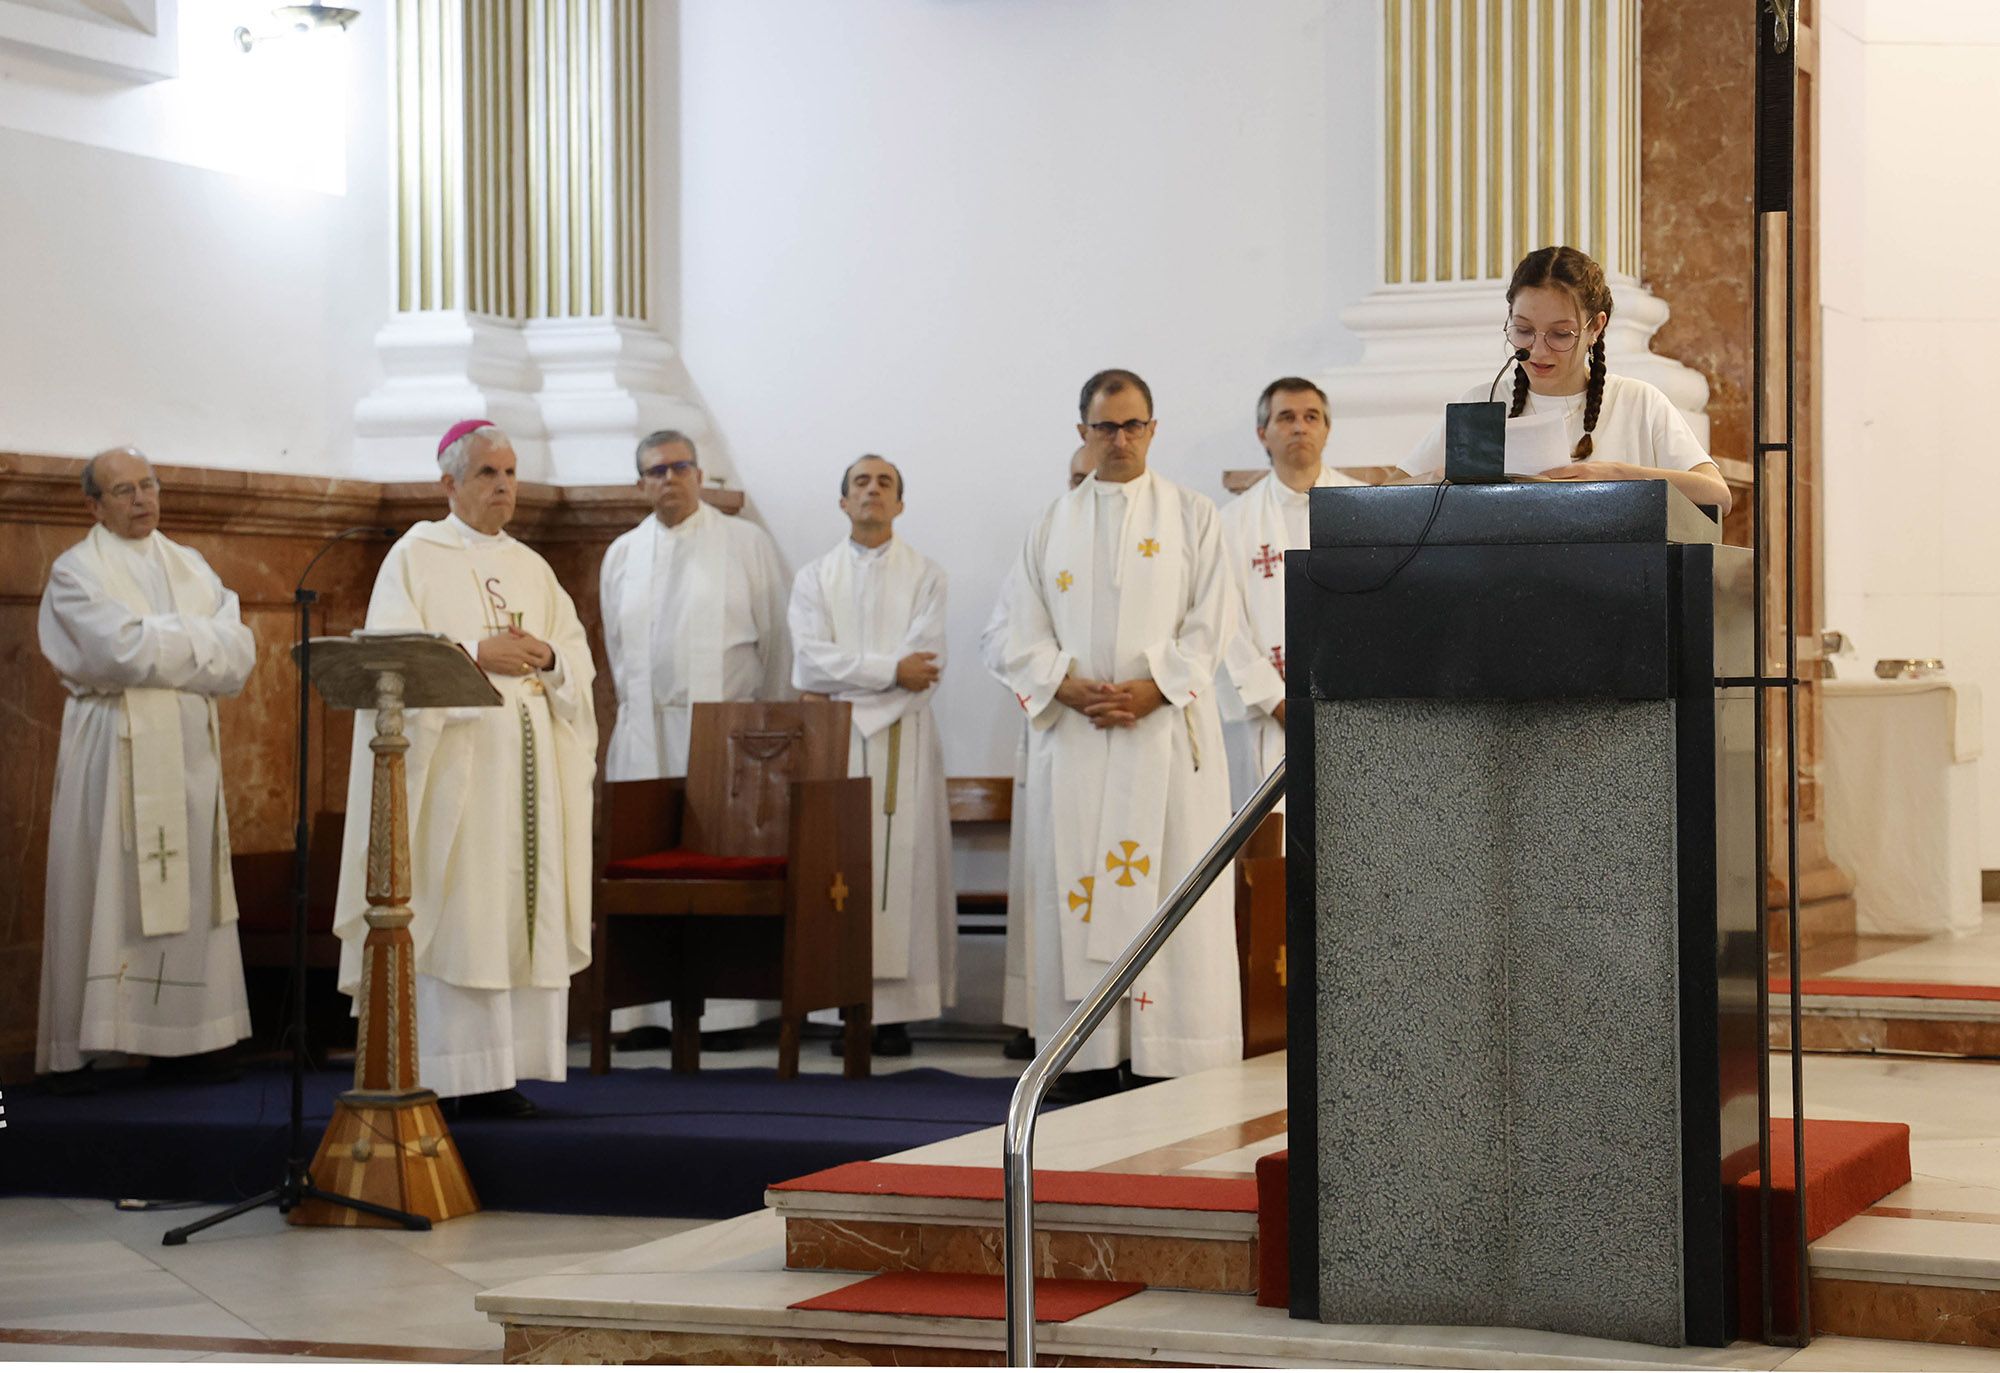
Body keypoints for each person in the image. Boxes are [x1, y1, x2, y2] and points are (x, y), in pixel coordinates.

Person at [332, 421, 597, 1118]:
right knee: (464, 912)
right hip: (458, 779)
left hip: (528, 778)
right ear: (447, 483)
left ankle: (505, 1071)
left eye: (511, 472)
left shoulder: (533, 566)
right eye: (487, 472)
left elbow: (574, 656)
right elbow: (389, 657)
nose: (504, 485)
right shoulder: (415, 556)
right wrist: (478, 653)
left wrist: (547, 657)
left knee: (516, 910)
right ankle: (450, 1071)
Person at [995, 370, 1241, 1097]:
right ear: (1082, 433)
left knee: (1170, 890)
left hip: (1163, 739)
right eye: (1106, 427)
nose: (1121, 439)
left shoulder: (1193, 515)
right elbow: (1016, 628)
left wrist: (1154, 685)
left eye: (1134, 425)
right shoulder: (1050, 523)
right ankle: (1088, 1054)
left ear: (1154, 429)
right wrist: (1064, 682)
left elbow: (1214, 619)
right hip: (1076, 740)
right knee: (1078, 887)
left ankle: (1173, 1049)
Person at [36, 447, 256, 1090]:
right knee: (108, 882)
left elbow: (238, 655)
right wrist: (195, 642)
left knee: (189, 889)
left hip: (189, 755)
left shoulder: (191, 566)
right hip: (113, 750)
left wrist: (160, 637)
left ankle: (190, 1036)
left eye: (149, 486)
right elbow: (118, 651)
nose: (142, 501)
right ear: (94, 505)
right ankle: (99, 1042)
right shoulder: (77, 571)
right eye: (124, 490)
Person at [598, 429, 791, 1047]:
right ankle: (642, 1012)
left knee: (718, 869)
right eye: (656, 471)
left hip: (727, 734)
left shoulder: (746, 544)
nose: (670, 479)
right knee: (642, 869)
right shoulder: (622, 554)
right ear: (640, 483)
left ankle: (728, 1015)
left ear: (700, 475)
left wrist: (769, 734)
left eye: (681, 467)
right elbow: (617, 650)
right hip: (645, 733)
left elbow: (777, 648)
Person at [789, 456, 955, 1055]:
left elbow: (926, 665)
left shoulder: (927, 575)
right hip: (835, 742)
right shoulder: (814, 577)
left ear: (900, 504)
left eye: (885, 483)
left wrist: (848, 688)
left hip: (904, 740)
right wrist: (886, 673)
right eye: (861, 482)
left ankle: (897, 1016)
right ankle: (844, 1010)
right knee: (842, 871)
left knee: (904, 869)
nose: (872, 491)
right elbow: (808, 662)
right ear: (842, 502)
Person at [1397, 244, 1734, 516]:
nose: (1538, 349)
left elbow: (1717, 495)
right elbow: (1389, 494)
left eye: (1560, 334)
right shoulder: (1481, 403)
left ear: (1595, 327)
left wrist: (1616, 475)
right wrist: (1439, 478)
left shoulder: (1638, 402)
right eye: (1524, 330)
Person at [984, 445, 1094, 1062]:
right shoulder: (1045, 545)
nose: (1087, 488)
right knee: (1045, 889)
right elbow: (999, 639)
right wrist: (1061, 677)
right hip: (1060, 729)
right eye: (1076, 478)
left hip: (1120, 731)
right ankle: (1036, 1018)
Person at [1217, 378, 1363, 811]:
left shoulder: (1362, 508)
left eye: (1311, 416)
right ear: (1263, 433)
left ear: (1326, 430)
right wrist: (1276, 700)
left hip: (1348, 713)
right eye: (1286, 417)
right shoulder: (1230, 523)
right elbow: (1224, 623)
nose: (1300, 427)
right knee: (1271, 855)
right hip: (1268, 717)